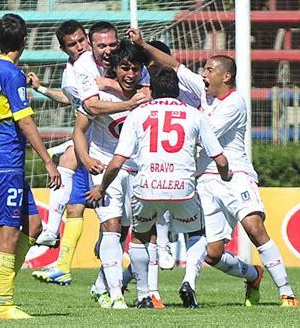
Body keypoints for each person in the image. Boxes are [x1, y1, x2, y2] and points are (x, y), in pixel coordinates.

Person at [128, 28, 300, 308]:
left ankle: (286, 292)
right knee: (212, 252)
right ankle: (252, 274)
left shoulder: (235, 104)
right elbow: (173, 65)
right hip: (204, 179)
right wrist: (143, 45)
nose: (203, 74)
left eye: (209, 69)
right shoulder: (203, 91)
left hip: (234, 175)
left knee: (255, 228)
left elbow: (203, 136)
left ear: (225, 76)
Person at [87, 67, 231, 309]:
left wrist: (102, 187)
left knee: (140, 239)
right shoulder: (194, 115)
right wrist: (225, 176)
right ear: (177, 90)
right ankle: (188, 282)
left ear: (151, 90)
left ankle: (144, 295)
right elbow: (221, 159)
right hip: (182, 188)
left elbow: (118, 160)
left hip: (146, 187)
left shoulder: (137, 114)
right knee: (196, 234)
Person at [0, 13, 61, 320]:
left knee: (33, 226)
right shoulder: (11, 74)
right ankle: (5, 305)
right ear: (24, 41)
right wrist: (49, 162)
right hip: (5, 160)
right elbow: (24, 121)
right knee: (9, 231)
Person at [73, 39, 151, 309]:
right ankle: (117, 295)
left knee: (124, 233)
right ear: (114, 69)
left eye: (135, 69)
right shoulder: (100, 96)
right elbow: (79, 130)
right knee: (111, 227)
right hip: (104, 168)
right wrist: (85, 158)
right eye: (125, 68)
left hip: (135, 171)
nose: (130, 74)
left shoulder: (147, 96)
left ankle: (99, 286)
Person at [25, 20, 92, 287]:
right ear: (64, 48)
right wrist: (40, 89)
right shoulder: (70, 71)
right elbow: (71, 99)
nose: (78, 47)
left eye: (81, 41)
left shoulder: (98, 62)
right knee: (75, 208)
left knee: (120, 218)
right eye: (72, 44)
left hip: (107, 137)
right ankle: (62, 263)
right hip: (88, 136)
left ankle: (164, 242)